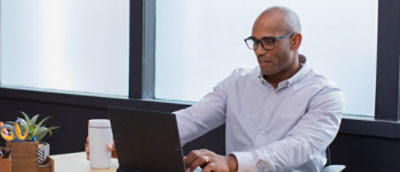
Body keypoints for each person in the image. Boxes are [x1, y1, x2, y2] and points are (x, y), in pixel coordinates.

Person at [86, 6, 344, 172]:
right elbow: (193, 118)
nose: (259, 52)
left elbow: (296, 147)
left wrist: (232, 162)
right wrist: (130, 142)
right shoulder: (237, 81)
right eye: (254, 43)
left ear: (295, 40)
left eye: (268, 43)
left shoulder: (325, 94)